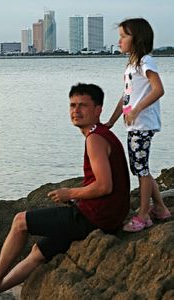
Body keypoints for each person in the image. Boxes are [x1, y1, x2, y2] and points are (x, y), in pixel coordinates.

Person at [0, 83, 130, 299]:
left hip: (93, 217)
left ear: (98, 110)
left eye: (83, 106)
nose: (76, 111)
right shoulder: (100, 134)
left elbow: (104, 186)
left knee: (20, 221)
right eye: (72, 105)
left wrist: (70, 194)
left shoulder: (95, 139)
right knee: (39, 252)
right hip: (108, 218)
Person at [105, 18, 171, 232]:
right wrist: (112, 121)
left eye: (124, 36)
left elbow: (158, 89)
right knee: (140, 168)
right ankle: (160, 208)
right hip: (134, 125)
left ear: (137, 38)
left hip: (142, 125)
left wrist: (137, 110)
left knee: (140, 170)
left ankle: (143, 215)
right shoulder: (131, 66)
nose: (119, 41)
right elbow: (126, 96)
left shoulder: (145, 61)